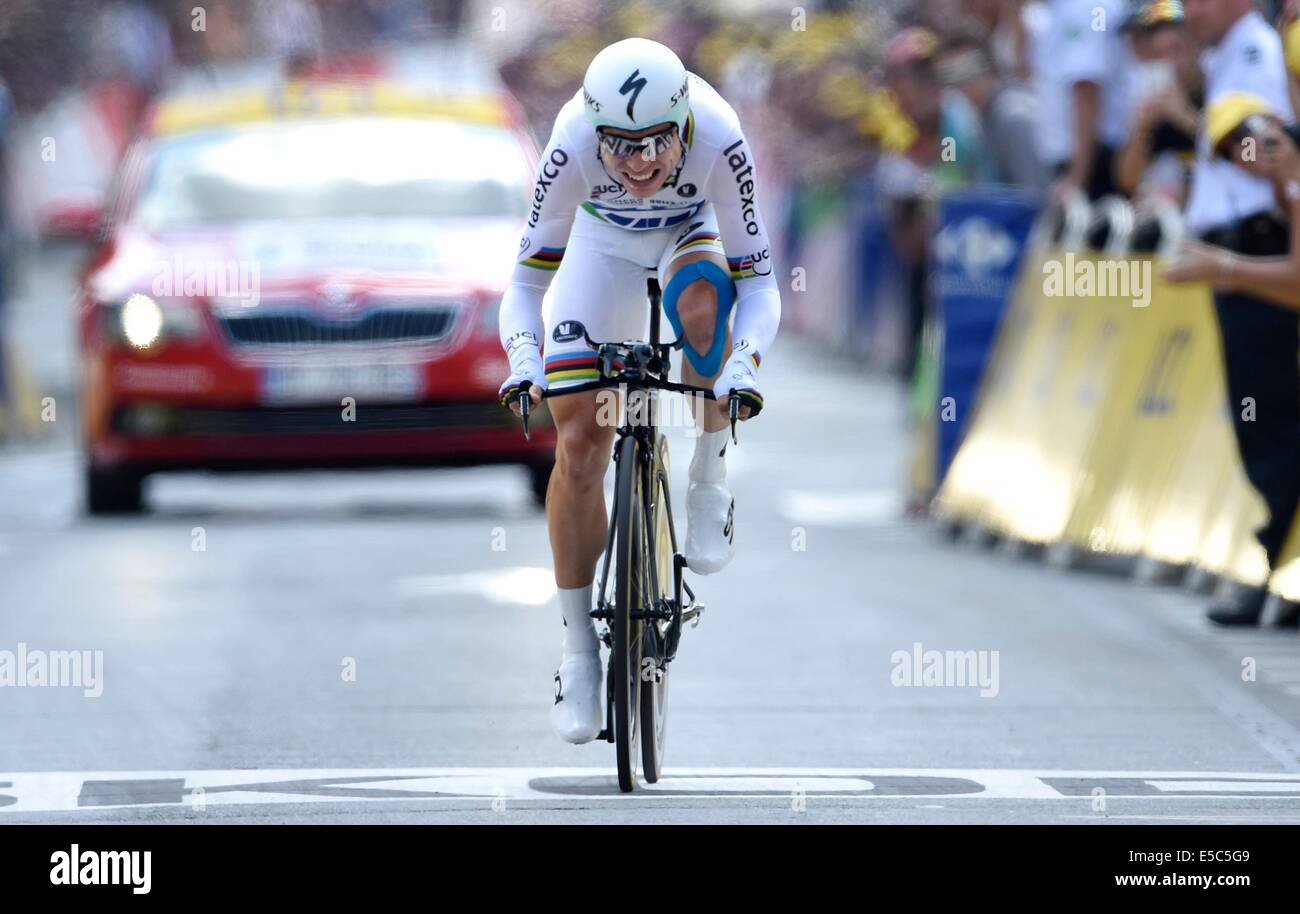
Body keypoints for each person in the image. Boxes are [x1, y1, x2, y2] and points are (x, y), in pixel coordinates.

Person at [496, 38, 782, 742]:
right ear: (596, 132)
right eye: (620, 145)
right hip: (603, 251)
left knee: (705, 302)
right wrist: (525, 357)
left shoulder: (719, 133)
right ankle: (577, 655)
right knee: (580, 445)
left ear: (683, 123)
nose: (640, 160)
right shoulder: (569, 144)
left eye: (656, 140)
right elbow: (526, 283)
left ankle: (708, 476)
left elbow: (762, 286)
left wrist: (744, 362)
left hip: (691, 235)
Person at [1178, 0, 1298, 627]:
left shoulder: (1253, 51)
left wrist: (1230, 141)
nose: (1188, 10)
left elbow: (1268, 149)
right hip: (1241, 246)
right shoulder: (1226, 54)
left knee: (1270, 414)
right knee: (1261, 412)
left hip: (1255, 245)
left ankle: (1277, 563)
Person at [1114, 0, 1204, 203]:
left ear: (1195, 46)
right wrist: (1141, 130)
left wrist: (1185, 117)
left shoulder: (1217, 87)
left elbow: (1245, 154)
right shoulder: (1153, 103)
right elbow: (1127, 182)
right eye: (1159, 55)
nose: (1170, 63)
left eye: (1176, 50)